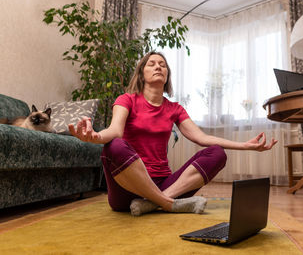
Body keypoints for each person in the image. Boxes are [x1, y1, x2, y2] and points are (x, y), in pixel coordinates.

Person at [69, 51, 278, 215]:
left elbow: (202, 138)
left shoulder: (174, 108)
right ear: (142, 73)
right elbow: (115, 131)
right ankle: (168, 204)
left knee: (217, 153)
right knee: (113, 145)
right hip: (127, 189)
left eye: (162, 64)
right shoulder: (127, 99)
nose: (158, 66)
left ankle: (154, 202)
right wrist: (95, 136)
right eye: (151, 64)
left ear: (167, 74)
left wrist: (245, 145)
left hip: (164, 183)